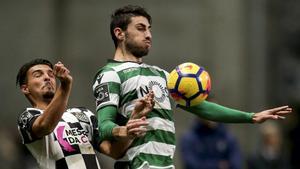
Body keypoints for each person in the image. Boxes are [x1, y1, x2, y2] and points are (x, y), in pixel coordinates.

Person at [92, 5, 292, 169]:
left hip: (165, 165)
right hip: (135, 165)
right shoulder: (110, 74)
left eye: (149, 29)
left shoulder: (163, 75)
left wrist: (251, 117)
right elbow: (105, 126)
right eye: (141, 28)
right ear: (119, 33)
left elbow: (202, 107)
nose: (149, 35)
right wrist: (124, 129)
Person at [16, 58, 154, 169]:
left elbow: (113, 151)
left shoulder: (82, 114)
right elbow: (45, 126)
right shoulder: (27, 116)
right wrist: (65, 86)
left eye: (50, 74)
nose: (47, 78)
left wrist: (133, 121)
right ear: (25, 88)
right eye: (38, 75)